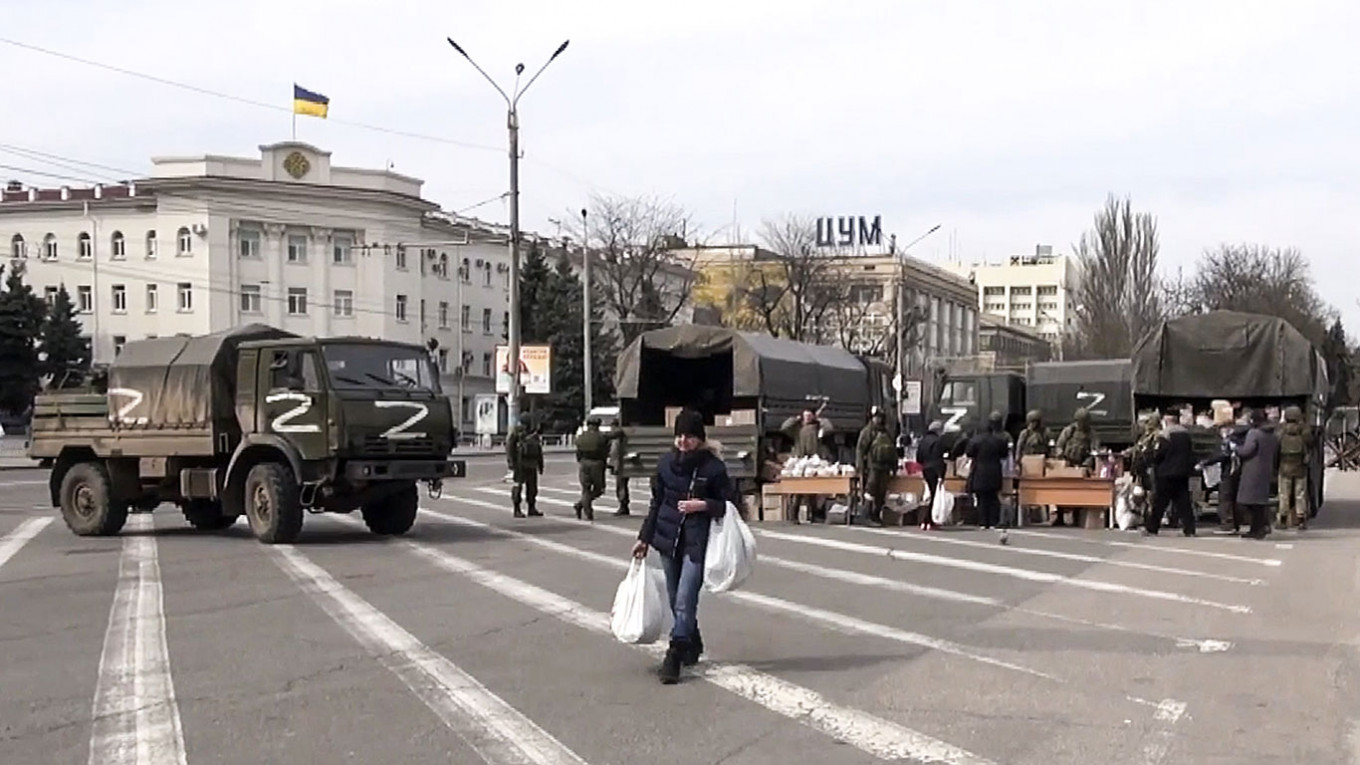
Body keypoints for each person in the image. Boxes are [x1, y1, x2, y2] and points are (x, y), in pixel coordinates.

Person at [632, 409, 733, 685]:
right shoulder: (666, 465)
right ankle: (693, 641)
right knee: (677, 597)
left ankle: (674, 654)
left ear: (700, 438)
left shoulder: (713, 468)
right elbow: (656, 504)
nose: (682, 441)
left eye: (688, 436)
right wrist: (644, 538)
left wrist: (703, 505)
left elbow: (730, 504)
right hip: (667, 541)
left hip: (697, 542)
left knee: (685, 599)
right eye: (679, 435)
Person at [781, 405, 833, 523]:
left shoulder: (817, 428)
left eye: (809, 415)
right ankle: (794, 515)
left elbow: (829, 428)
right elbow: (784, 427)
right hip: (799, 461)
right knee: (798, 490)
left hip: (813, 461)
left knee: (812, 489)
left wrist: (820, 419)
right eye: (805, 415)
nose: (807, 418)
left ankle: (814, 514)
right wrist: (795, 419)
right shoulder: (797, 428)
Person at [1147, 407, 1196, 536]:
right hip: (1182, 473)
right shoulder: (1186, 434)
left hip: (1166, 473)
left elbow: (1159, 454)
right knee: (1184, 502)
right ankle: (1189, 529)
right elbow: (1191, 453)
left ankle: (1152, 527)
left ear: (1166, 420)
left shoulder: (1165, 435)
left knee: (1160, 502)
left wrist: (1152, 460)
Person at [1199, 412, 1249, 533]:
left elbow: (1222, 455)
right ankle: (1236, 523)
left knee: (1225, 497)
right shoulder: (1244, 436)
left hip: (1228, 471)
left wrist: (1205, 462)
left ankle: (1227, 524)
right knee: (1236, 498)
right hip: (1241, 471)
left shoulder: (1230, 439)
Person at [1236, 408, 1279, 539]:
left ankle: (1258, 528)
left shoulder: (1254, 433)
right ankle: (1258, 528)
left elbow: (1247, 450)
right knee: (1259, 502)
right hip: (1266, 469)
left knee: (1247, 502)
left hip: (1252, 470)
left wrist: (1236, 448)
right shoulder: (1272, 434)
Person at [1052, 408, 1097, 526]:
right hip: (1068, 463)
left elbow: (1094, 451)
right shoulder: (1069, 431)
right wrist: (1060, 454)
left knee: (1080, 491)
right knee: (1062, 490)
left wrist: (1087, 464)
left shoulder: (1091, 434)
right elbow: (1059, 445)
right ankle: (1060, 515)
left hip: (1082, 464)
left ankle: (1076, 516)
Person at [966, 411, 1011, 530]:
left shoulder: (976, 440)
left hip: (979, 471)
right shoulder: (999, 440)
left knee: (981, 498)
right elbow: (1004, 454)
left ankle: (982, 522)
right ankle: (993, 522)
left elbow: (969, 453)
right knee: (993, 498)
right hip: (995, 470)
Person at [1276, 405, 1314, 530]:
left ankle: (1282, 519)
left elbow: (1276, 445)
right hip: (1300, 466)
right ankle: (1301, 519)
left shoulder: (1281, 430)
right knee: (1300, 494)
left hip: (1284, 465)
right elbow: (1310, 443)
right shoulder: (1304, 430)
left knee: (1284, 494)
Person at [505, 415, 544, 518]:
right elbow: (510, 448)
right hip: (520, 464)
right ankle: (517, 509)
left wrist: (540, 465)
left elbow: (538, 450)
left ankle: (531, 507)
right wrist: (511, 463)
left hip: (531, 464)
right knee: (518, 487)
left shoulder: (533, 433)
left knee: (532, 488)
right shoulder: (517, 433)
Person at [574, 416, 610, 521]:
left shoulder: (581, 437)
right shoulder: (601, 436)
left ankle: (585, 508)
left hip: (584, 463)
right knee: (598, 489)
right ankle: (582, 506)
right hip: (597, 463)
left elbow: (578, 452)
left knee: (585, 489)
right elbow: (608, 445)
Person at [863, 425, 899, 527]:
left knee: (877, 492)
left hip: (879, 467)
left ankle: (873, 515)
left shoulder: (876, 432)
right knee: (873, 491)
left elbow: (893, 451)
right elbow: (861, 449)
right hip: (878, 468)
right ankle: (869, 515)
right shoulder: (871, 432)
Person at [915, 420, 947, 530]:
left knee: (929, 495)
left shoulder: (923, 441)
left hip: (926, 469)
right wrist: (941, 475)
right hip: (935, 470)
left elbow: (918, 457)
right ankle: (929, 519)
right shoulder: (938, 441)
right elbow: (940, 459)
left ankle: (926, 520)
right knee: (934, 495)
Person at [610, 426, 631, 517]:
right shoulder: (624, 439)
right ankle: (624, 505)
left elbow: (614, 453)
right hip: (624, 464)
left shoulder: (617, 441)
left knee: (621, 486)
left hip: (621, 465)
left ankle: (623, 506)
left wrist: (614, 465)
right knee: (622, 485)